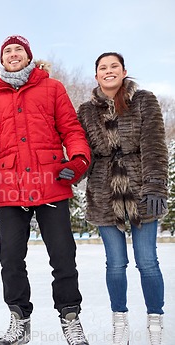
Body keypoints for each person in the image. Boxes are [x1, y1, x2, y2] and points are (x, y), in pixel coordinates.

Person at [0, 35, 92, 345]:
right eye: (8, 51)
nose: (13, 54)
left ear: (29, 56)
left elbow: (71, 129)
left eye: (19, 49)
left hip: (51, 182)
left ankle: (70, 318)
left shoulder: (52, 88)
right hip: (11, 186)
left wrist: (79, 159)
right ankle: (19, 320)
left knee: (62, 256)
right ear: (1, 60)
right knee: (10, 258)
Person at [77, 52, 168, 345]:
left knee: (147, 261)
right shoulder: (86, 111)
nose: (108, 71)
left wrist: (156, 186)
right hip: (103, 192)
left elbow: (155, 145)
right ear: (96, 76)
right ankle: (120, 322)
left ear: (124, 71)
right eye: (102, 68)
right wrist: (73, 169)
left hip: (141, 187)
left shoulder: (144, 100)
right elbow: (85, 153)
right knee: (115, 263)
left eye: (113, 66)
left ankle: (155, 322)